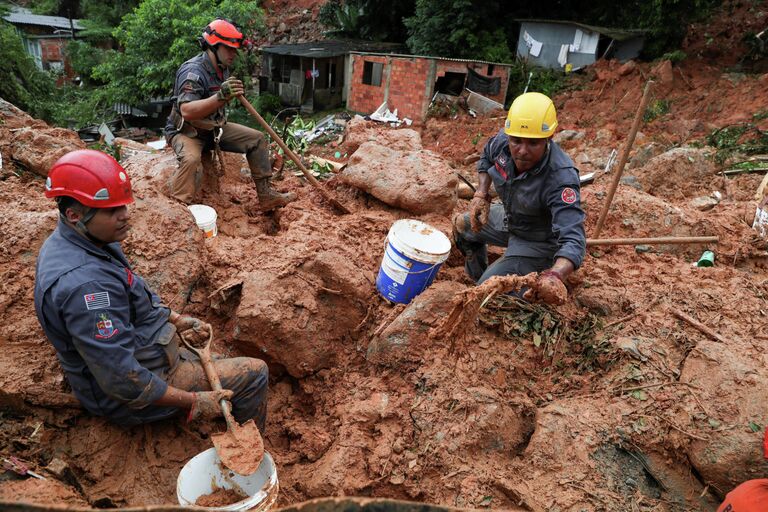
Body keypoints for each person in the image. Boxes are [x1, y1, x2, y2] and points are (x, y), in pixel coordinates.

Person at [34, 149, 268, 429]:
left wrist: (175, 319)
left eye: (123, 205)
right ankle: (254, 458)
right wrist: (194, 400)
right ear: (74, 214)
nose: (125, 216)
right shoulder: (87, 290)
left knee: (226, 364)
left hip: (144, 351)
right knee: (255, 374)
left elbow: (133, 290)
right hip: (129, 397)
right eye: (112, 211)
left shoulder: (87, 238)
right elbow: (123, 380)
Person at [452, 92, 586, 302]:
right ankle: (476, 276)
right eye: (516, 141)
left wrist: (555, 275)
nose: (522, 151)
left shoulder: (561, 177)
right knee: (463, 225)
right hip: (510, 219)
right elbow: (486, 159)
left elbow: (574, 239)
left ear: (548, 139)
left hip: (538, 240)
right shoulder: (503, 142)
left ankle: (486, 284)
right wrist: (481, 193)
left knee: (486, 296)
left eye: (533, 143)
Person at [165, 18, 295, 210]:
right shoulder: (193, 72)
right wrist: (221, 96)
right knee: (192, 160)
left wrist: (226, 95)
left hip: (213, 129)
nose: (233, 54)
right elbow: (187, 111)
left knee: (257, 139)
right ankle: (179, 208)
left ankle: (266, 196)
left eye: (235, 49)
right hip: (187, 132)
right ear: (213, 47)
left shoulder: (222, 68)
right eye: (229, 48)